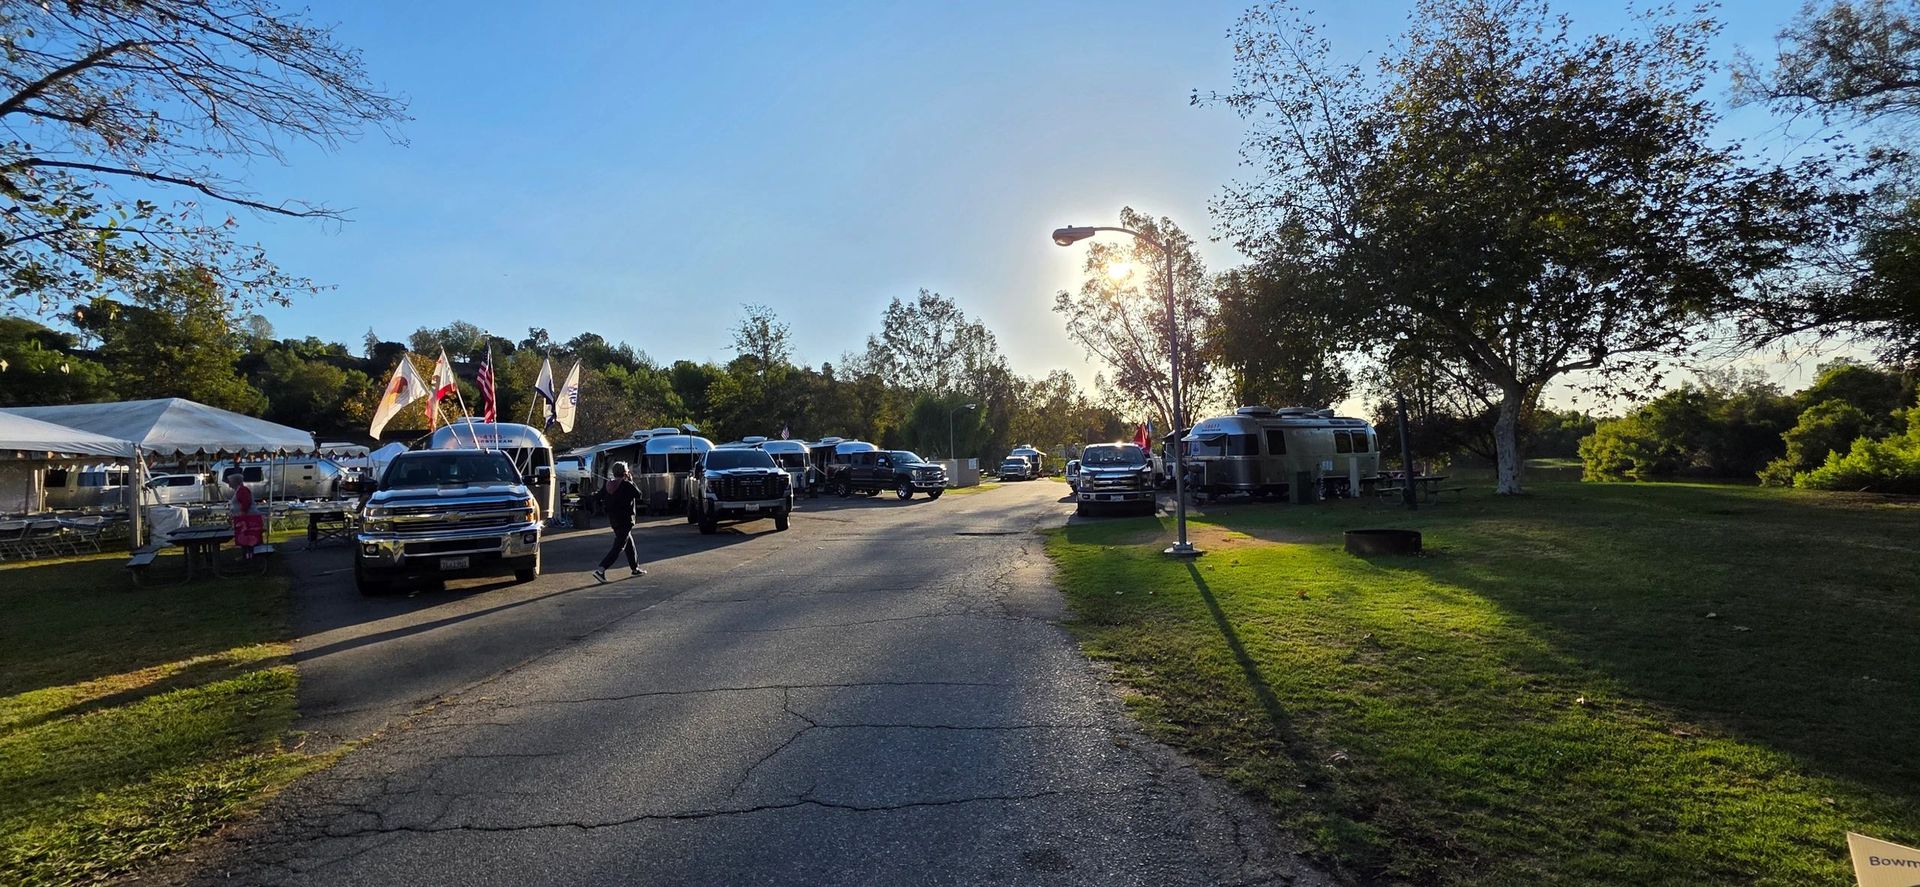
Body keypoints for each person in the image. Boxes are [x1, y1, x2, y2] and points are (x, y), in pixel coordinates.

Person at [593, 461, 646, 583]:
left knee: (629, 545)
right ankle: (601, 569)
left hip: (614, 520)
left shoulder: (608, 485)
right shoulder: (626, 485)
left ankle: (635, 568)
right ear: (624, 473)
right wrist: (631, 481)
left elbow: (597, 496)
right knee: (618, 547)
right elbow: (639, 494)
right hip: (626, 520)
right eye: (627, 470)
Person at [226, 469, 263, 559]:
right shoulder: (239, 490)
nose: (228, 484)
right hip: (243, 518)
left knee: (248, 539)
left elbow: (246, 502)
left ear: (235, 482)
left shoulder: (242, 490)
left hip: (248, 518)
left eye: (230, 482)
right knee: (244, 539)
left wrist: (241, 513)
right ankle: (246, 556)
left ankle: (250, 557)